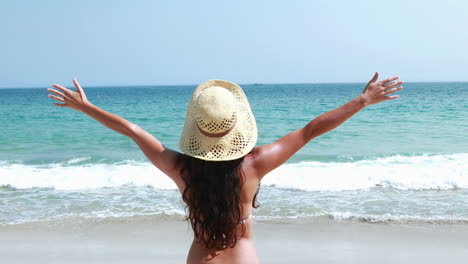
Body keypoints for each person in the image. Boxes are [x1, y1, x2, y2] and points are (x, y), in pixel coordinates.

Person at [47, 73, 403, 264]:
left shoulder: (179, 168)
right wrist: (363, 100)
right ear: (236, 127)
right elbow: (311, 130)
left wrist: (87, 108)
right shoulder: (255, 163)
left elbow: (133, 130)